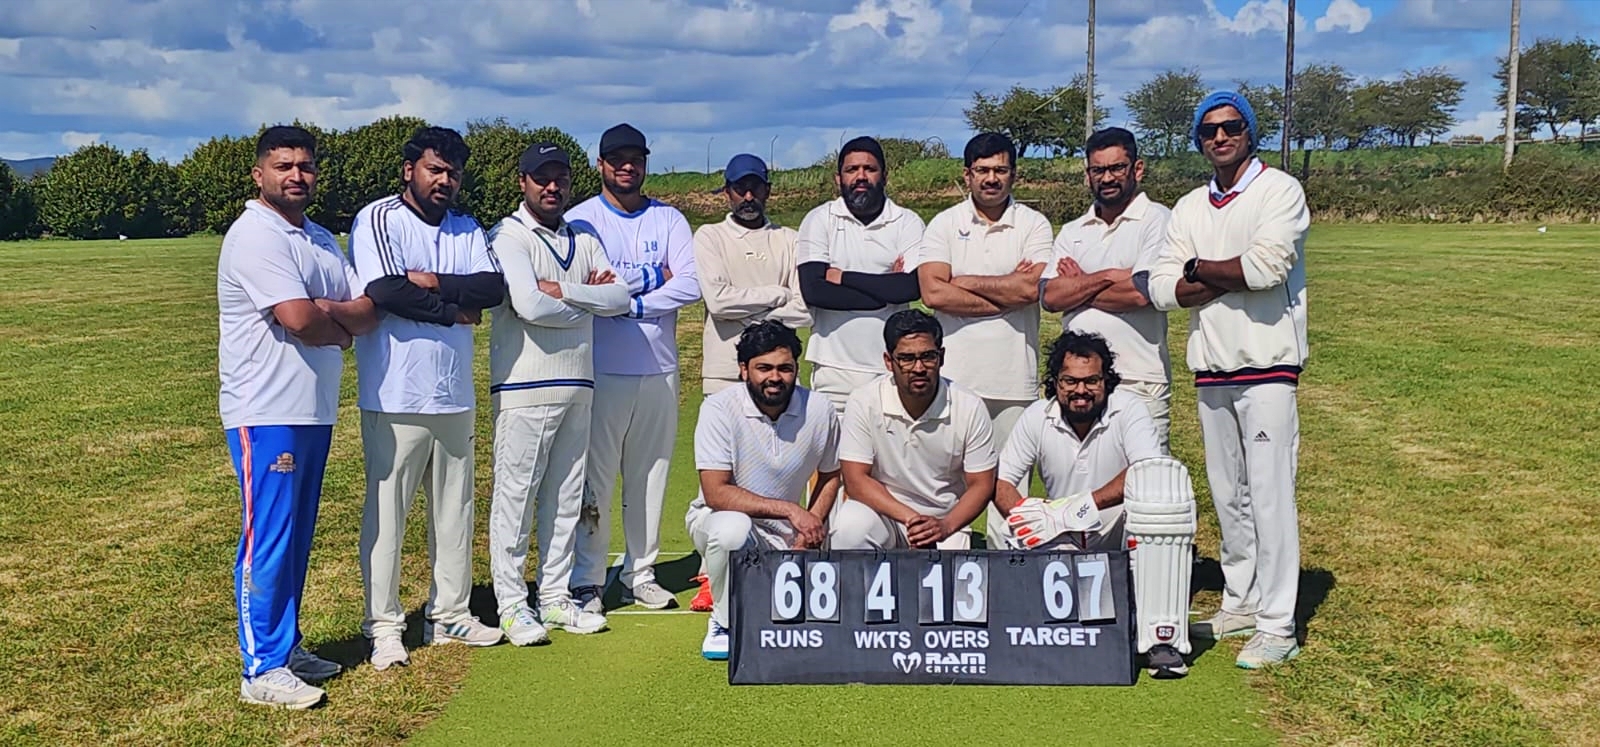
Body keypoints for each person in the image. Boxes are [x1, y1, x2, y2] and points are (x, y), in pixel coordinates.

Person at [1147, 91, 1311, 669]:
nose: (1220, 137)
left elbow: (1266, 268)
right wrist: (1221, 274)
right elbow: (1162, 289)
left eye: (1232, 127)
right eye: (1209, 130)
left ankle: (1278, 623)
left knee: (1270, 495)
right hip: (1212, 366)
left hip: (1268, 365)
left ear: (1250, 132)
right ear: (1199, 140)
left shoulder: (1279, 190)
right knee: (1228, 494)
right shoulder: (1190, 206)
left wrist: (1198, 270)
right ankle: (1242, 600)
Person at [218, 125, 377, 708]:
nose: (296, 175)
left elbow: (367, 310)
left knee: (297, 535)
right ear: (258, 173)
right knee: (270, 536)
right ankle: (260, 668)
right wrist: (338, 329)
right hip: (265, 409)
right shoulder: (255, 235)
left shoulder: (319, 238)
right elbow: (299, 319)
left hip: (311, 407)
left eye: (305, 166)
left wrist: (333, 317)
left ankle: (286, 648)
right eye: (283, 165)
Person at [350, 126, 508, 670]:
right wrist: (451, 310)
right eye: (434, 169)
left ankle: (450, 614)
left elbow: (492, 288)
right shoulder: (379, 218)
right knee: (387, 517)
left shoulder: (467, 226)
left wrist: (433, 283)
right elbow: (385, 290)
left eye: (453, 173)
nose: (444, 180)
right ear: (409, 170)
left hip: (453, 393)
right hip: (395, 392)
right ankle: (384, 626)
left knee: (454, 512)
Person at [486, 143, 630, 645]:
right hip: (524, 386)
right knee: (516, 498)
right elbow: (528, 305)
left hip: (578, 383)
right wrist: (590, 301)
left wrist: (565, 291)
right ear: (522, 181)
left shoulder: (583, 236)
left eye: (560, 178)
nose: (552, 187)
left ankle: (553, 597)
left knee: (566, 497)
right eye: (541, 178)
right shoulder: (508, 235)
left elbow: (620, 297)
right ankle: (511, 604)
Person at [991, 332, 1195, 679]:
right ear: (1055, 382)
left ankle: (1160, 641)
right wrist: (1031, 518)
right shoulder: (1037, 415)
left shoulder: (1128, 408)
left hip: (1120, 529)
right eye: (1070, 381)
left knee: (1161, 503)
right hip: (1062, 533)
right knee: (1016, 531)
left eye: (1091, 381)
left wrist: (1085, 505)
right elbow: (1001, 482)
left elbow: (1147, 471)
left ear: (1106, 381)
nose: (1081, 390)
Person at [567, 123, 701, 612]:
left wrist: (630, 303)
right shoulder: (581, 220)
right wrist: (649, 277)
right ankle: (587, 579)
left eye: (636, 159)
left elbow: (690, 284)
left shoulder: (669, 219)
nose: (627, 167)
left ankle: (639, 574)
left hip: (658, 367)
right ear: (600, 164)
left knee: (650, 476)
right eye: (617, 159)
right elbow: (585, 287)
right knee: (596, 478)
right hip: (601, 367)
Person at [916, 132, 1052, 547]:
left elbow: (1032, 289)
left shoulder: (1034, 224)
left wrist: (964, 281)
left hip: (1014, 379)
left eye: (1000, 170)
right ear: (967, 175)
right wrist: (1005, 292)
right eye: (983, 170)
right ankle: (944, 568)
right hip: (955, 379)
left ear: (1014, 174)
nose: (991, 178)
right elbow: (933, 292)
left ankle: (1008, 569)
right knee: (945, 484)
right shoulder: (944, 224)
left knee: (1009, 486)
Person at [688, 152, 811, 612]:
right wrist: (776, 295)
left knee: (780, 466)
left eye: (755, 186)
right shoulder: (710, 236)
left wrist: (754, 314)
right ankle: (711, 571)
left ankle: (785, 555)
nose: (747, 195)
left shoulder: (789, 239)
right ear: (727, 191)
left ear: (767, 190)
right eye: (739, 187)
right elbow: (718, 302)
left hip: (776, 374)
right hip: (724, 372)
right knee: (721, 477)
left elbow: (804, 309)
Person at [685, 321, 840, 660]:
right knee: (732, 528)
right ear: (744, 370)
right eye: (764, 368)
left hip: (787, 536)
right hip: (715, 522)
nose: (775, 377)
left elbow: (831, 475)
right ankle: (723, 621)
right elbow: (716, 494)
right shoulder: (718, 409)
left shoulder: (820, 409)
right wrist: (792, 511)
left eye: (785, 368)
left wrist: (809, 528)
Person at [1044, 127, 1174, 453]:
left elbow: (1142, 292)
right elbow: (1050, 297)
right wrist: (1111, 276)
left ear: (1137, 169)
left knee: (1145, 477)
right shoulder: (1072, 230)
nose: (1107, 178)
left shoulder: (1158, 220)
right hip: (1079, 382)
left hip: (1139, 379)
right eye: (1098, 170)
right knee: (1079, 475)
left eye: (1117, 168)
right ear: (1087, 174)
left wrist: (1079, 283)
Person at [828, 309, 997, 550]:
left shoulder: (969, 406)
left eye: (928, 357)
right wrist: (912, 520)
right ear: (889, 361)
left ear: (941, 357)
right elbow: (855, 481)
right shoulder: (864, 401)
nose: (918, 368)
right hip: (884, 515)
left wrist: (945, 526)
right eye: (907, 358)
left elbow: (982, 483)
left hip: (945, 521)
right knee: (850, 528)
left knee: (952, 574)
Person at [796, 136, 925, 416]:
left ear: (884, 176)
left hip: (892, 366)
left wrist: (842, 277)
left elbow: (911, 287)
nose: (861, 176)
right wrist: (883, 292)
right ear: (838, 178)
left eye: (870, 168)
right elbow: (815, 291)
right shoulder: (819, 219)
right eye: (852, 169)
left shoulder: (907, 222)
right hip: (833, 368)